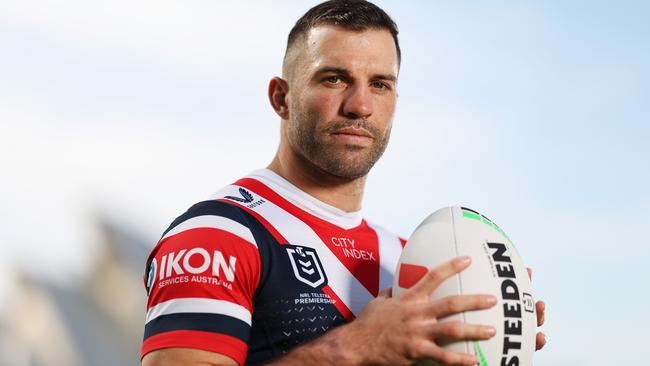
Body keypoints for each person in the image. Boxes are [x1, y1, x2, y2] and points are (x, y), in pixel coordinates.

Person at [140, 1, 547, 365]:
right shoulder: (218, 236)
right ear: (281, 98)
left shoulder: (405, 259)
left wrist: (491, 340)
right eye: (334, 79)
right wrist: (349, 349)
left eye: (380, 84)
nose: (360, 106)